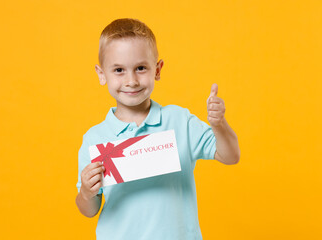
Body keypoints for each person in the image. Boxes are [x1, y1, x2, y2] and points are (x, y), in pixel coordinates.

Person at [75, 18, 240, 240]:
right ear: (102, 74)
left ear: (158, 69)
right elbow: (89, 209)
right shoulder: (94, 139)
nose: (131, 80)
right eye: (119, 70)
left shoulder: (180, 121)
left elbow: (231, 156)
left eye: (140, 68)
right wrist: (87, 192)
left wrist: (219, 124)